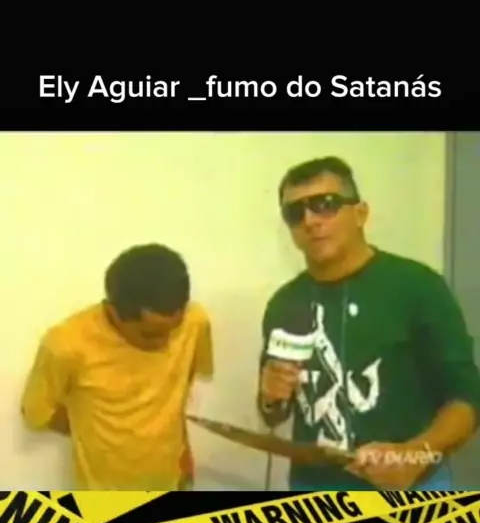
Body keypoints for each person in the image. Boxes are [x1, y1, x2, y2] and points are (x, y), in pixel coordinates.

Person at [257, 157, 480, 491]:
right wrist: (270, 397)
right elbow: (275, 412)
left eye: (325, 205)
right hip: (314, 493)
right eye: (295, 212)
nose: (310, 221)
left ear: (360, 213)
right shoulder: (284, 304)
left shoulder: (417, 286)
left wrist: (415, 456)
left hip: (414, 487)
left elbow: (467, 398)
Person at [21, 244, 214, 490]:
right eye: (150, 334)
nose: (164, 342)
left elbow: (183, 383)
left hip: (174, 481)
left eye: (174, 330)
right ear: (113, 312)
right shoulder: (66, 344)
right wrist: (95, 432)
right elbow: (36, 412)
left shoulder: (196, 321)